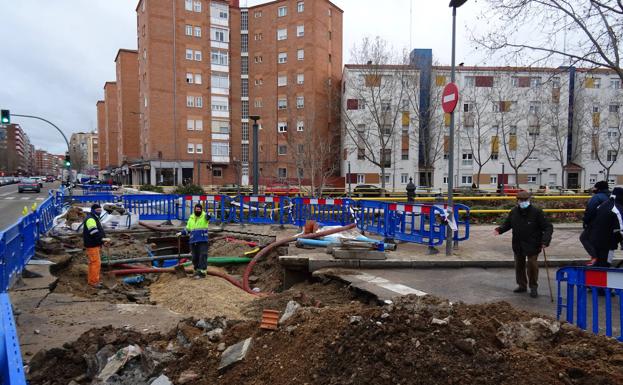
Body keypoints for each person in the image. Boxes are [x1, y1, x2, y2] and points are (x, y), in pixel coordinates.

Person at [495, 191, 553, 298]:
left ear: (529, 200)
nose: (523, 202)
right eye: (521, 200)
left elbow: (548, 227)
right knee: (519, 265)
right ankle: (522, 285)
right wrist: (500, 230)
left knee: (532, 265)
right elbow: (508, 224)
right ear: (517, 201)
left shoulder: (537, 212)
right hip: (518, 243)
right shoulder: (514, 212)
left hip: (533, 243)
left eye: (525, 200)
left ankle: (533, 286)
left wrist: (545, 241)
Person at [587, 186, 623, 267]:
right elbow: (621, 228)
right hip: (608, 243)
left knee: (598, 263)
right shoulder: (616, 208)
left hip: (595, 239)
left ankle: (594, 277)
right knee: (605, 264)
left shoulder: (603, 204)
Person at [580, 181, 610, 262]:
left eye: (595, 187)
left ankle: (594, 257)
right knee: (602, 242)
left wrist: (585, 221)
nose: (594, 189)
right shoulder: (610, 197)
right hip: (608, 224)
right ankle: (603, 259)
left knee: (584, 238)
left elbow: (590, 211)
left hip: (595, 224)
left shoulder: (596, 197)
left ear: (599, 188)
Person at [179, 203, 211, 278]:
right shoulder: (191, 218)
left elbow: (208, 217)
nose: (198, 211)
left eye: (199, 209)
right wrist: (181, 232)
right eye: (196, 210)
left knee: (202, 255)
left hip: (202, 239)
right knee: (194, 257)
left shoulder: (204, 216)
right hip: (193, 240)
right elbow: (188, 229)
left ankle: (202, 272)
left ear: (201, 210)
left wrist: (209, 215)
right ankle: (196, 271)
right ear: (194, 210)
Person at [82, 204, 109, 288]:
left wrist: (102, 240)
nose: (99, 212)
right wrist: (101, 240)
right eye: (97, 211)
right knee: (96, 263)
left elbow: (98, 231)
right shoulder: (90, 219)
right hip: (92, 244)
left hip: (94, 243)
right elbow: (93, 232)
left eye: (100, 211)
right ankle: (94, 282)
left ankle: (92, 280)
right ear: (93, 210)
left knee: (93, 263)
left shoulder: (94, 218)